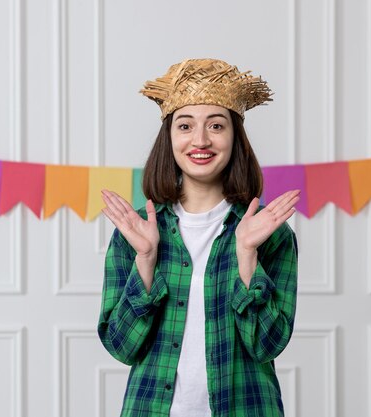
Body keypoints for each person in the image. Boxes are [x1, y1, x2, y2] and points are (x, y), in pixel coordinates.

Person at [98, 58, 299, 417]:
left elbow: (267, 345)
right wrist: (145, 260)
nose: (200, 140)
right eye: (185, 125)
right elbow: (121, 347)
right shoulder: (135, 232)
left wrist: (247, 256)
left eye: (216, 125)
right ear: (170, 138)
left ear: (235, 138)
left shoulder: (270, 234)